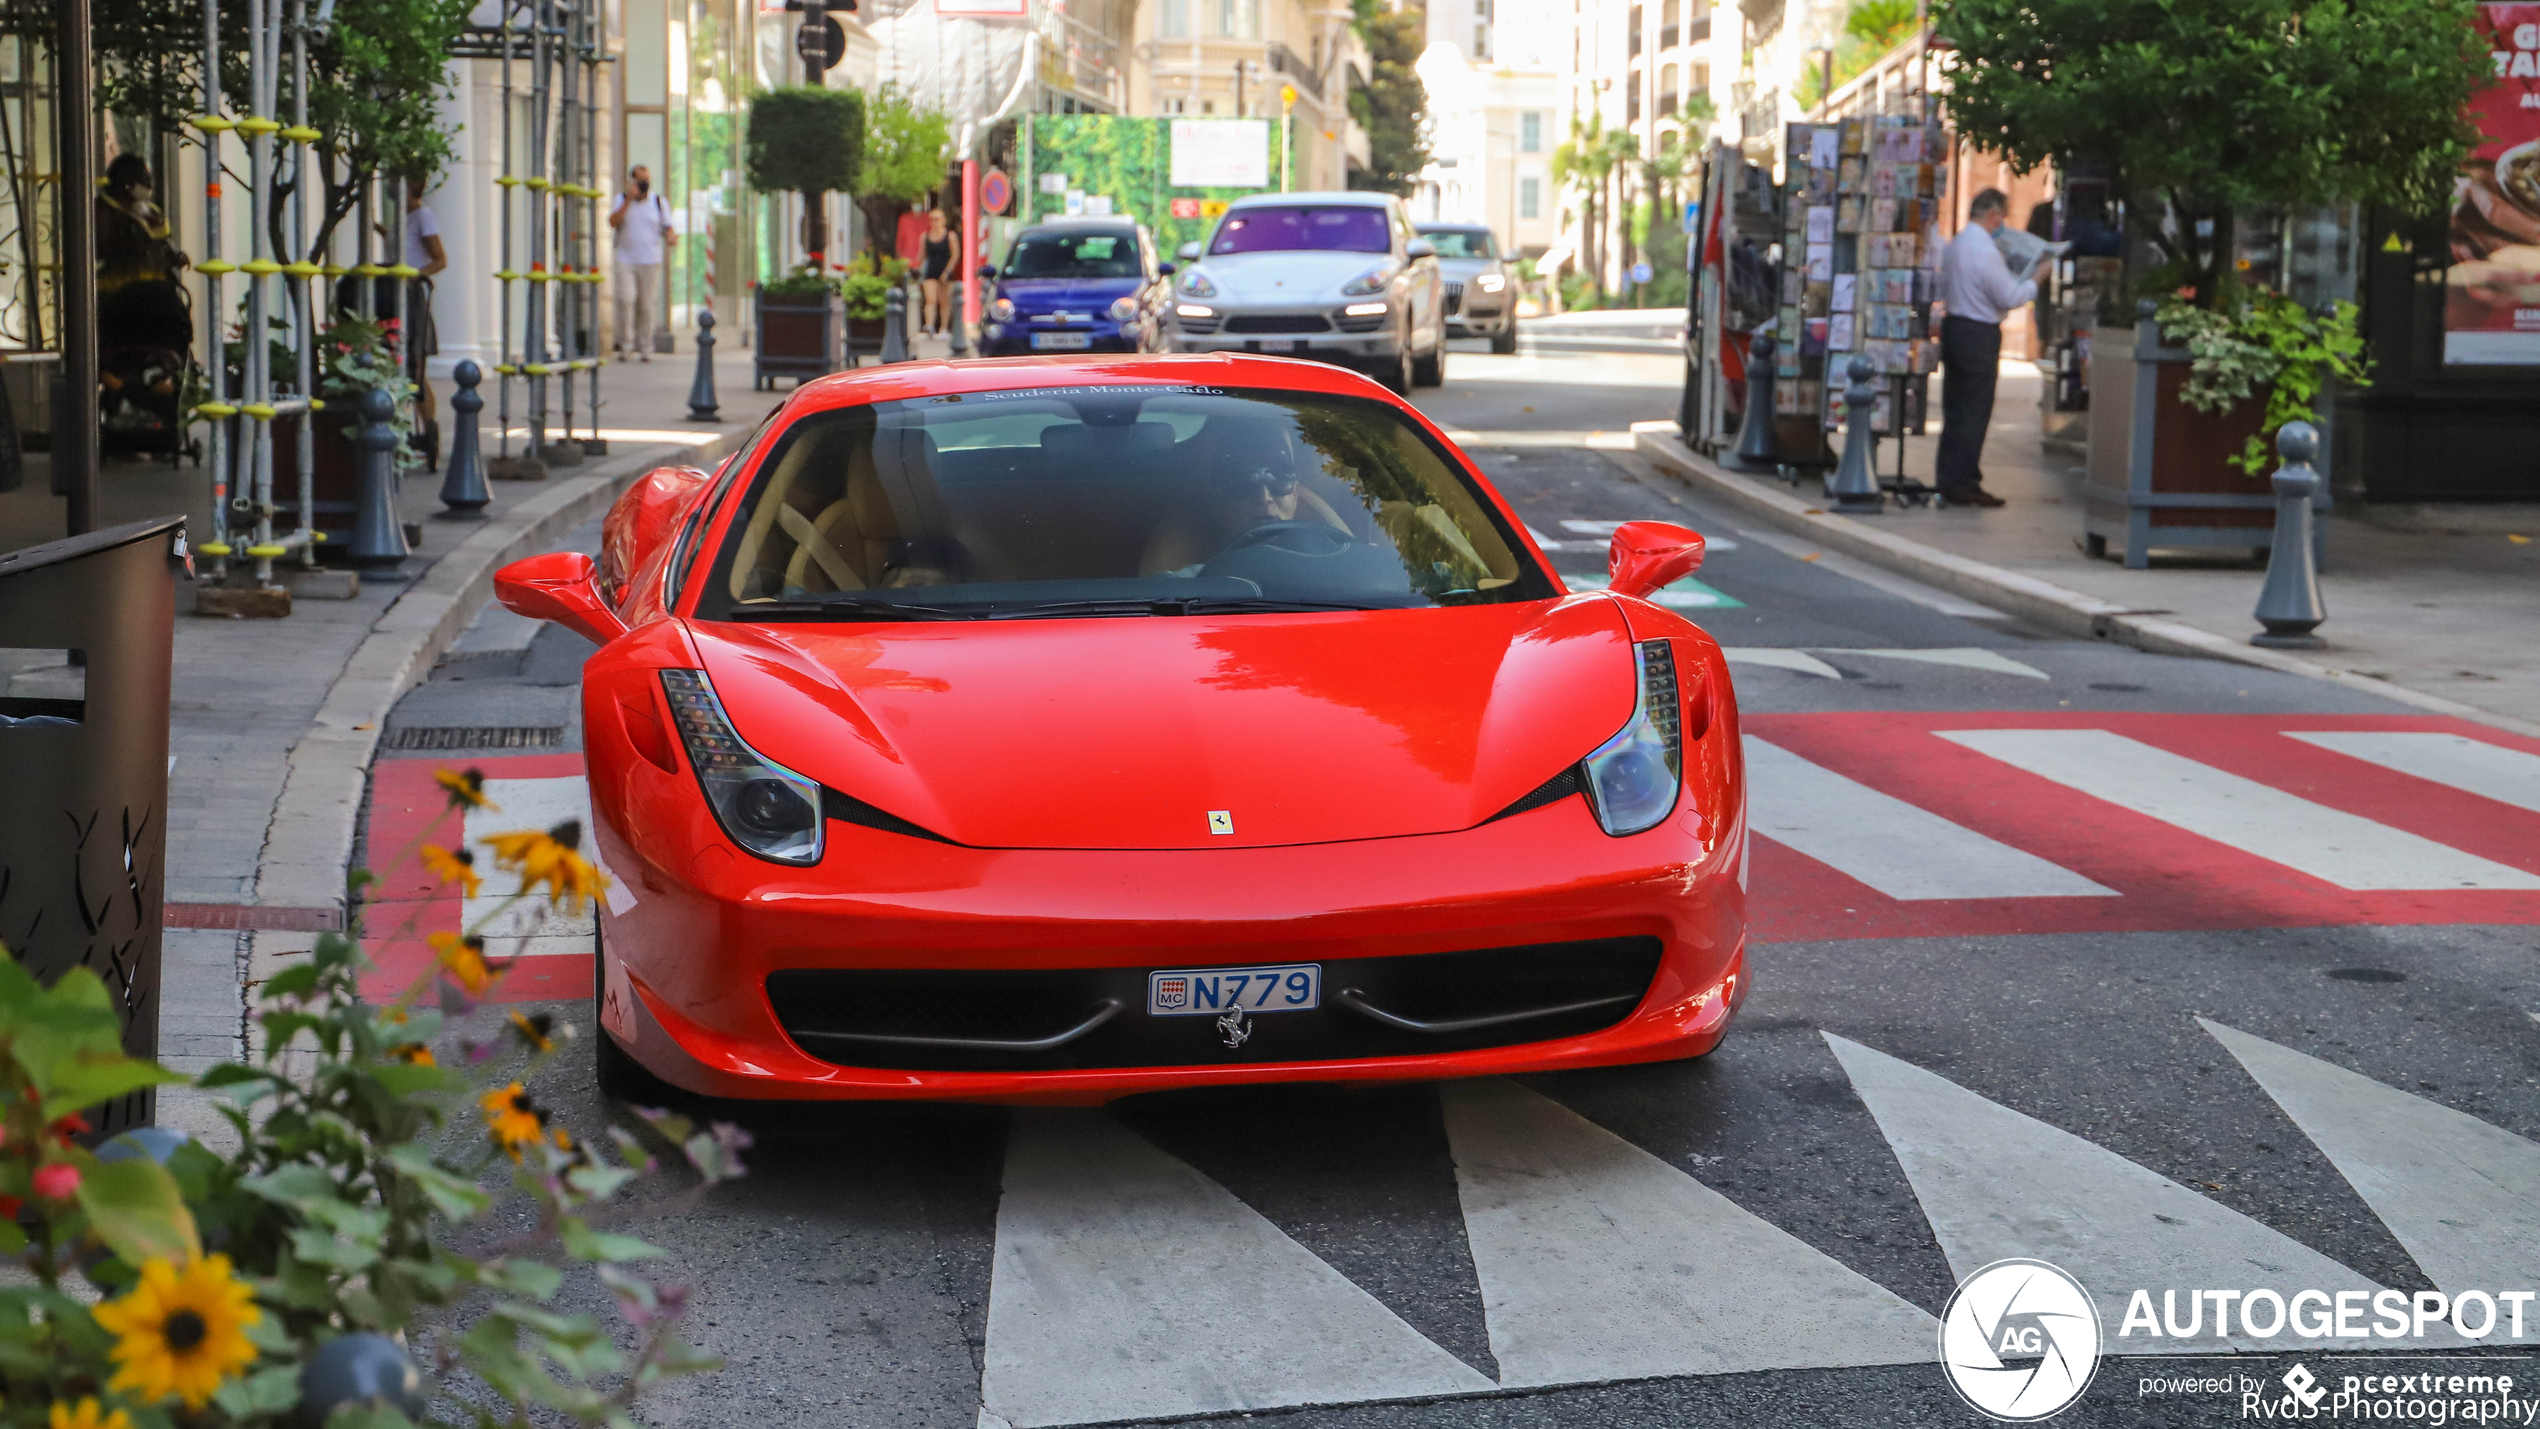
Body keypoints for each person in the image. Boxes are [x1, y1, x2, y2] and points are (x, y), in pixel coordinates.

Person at [1935, 188, 2049, 508]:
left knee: (1955, 407)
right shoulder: (1983, 251)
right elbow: (2009, 297)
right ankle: (1963, 481)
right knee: (1974, 409)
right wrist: (2037, 278)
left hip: (1955, 326)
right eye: (2002, 216)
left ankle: (1950, 477)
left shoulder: (1956, 244)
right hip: (1978, 331)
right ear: (1992, 214)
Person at [96, 154, 191, 354]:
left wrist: (174, 257)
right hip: (119, 295)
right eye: (144, 180)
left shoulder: (153, 212)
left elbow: (165, 245)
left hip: (158, 296)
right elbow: (99, 249)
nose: (149, 185)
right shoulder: (102, 211)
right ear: (127, 185)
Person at [609, 165, 676, 360]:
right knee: (625, 299)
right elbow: (613, 221)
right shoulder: (621, 200)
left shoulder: (658, 202)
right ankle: (625, 344)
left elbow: (668, 228)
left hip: (650, 260)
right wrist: (629, 200)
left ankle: (645, 345)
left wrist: (671, 237)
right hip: (625, 259)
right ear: (632, 181)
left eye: (646, 180)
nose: (644, 184)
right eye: (640, 180)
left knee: (646, 304)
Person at [919, 210, 954, 336]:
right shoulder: (925, 236)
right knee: (930, 299)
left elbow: (955, 255)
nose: (934, 222)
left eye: (937, 219)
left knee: (944, 301)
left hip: (944, 270)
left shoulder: (949, 236)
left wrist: (947, 271)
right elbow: (921, 255)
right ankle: (929, 325)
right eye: (932, 219)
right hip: (930, 270)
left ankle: (944, 328)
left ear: (943, 220)